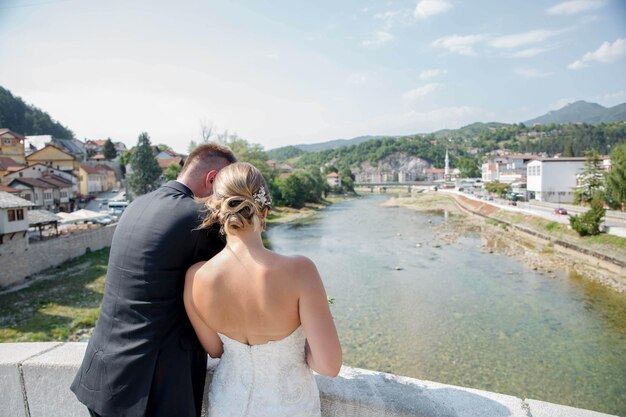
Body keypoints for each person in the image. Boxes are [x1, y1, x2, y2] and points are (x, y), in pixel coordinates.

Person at [71, 143, 237, 417]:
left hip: (101, 373)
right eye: (226, 188)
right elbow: (235, 284)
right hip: (153, 389)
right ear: (212, 180)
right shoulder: (201, 220)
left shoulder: (136, 205)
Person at [184, 162, 342, 417]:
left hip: (228, 404)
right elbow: (328, 366)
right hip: (289, 407)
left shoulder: (195, 278)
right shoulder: (300, 271)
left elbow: (215, 350)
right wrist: (295, 349)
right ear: (264, 212)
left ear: (218, 213)